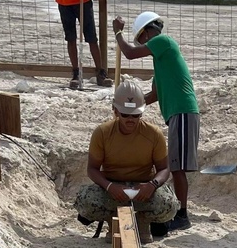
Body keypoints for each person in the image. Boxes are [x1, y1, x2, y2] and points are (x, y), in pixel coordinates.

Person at [112, 11, 199, 232]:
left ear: (149, 32)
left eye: (141, 39)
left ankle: (182, 214)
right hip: (176, 114)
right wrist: (128, 108)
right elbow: (154, 95)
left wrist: (118, 33)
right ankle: (180, 213)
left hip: (183, 111)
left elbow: (130, 54)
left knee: (176, 168)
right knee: (176, 165)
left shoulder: (163, 41)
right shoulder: (162, 62)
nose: (142, 44)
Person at [75, 80, 179, 239]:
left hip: (144, 190)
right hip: (112, 190)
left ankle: (142, 222)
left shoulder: (153, 134)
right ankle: (112, 220)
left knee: (169, 205)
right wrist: (110, 187)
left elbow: (164, 169)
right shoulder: (102, 133)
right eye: (125, 115)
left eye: (136, 115)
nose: (130, 120)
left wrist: (151, 186)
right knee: (85, 201)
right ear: (115, 111)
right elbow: (92, 169)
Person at [56, 0, 113, 89]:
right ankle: (76, 73)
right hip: (65, 0)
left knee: (92, 38)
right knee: (71, 38)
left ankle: (100, 73)